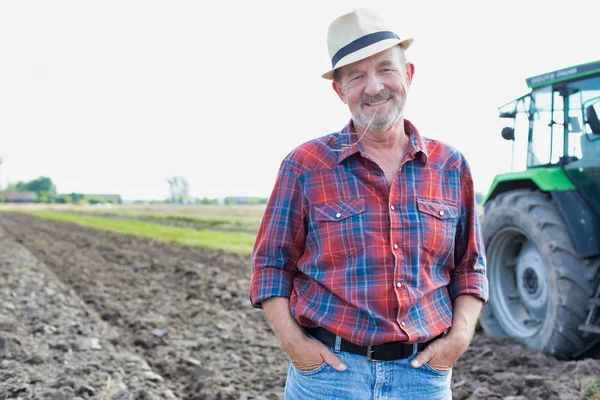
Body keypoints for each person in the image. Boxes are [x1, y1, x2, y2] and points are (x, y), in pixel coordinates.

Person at [249, 8, 488, 400]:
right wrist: (296, 346)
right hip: (328, 377)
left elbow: (471, 266)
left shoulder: (451, 166)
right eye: (356, 76)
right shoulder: (305, 166)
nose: (374, 87)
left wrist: (458, 340)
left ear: (409, 75)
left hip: (422, 378)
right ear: (339, 91)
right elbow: (270, 266)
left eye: (385, 69)